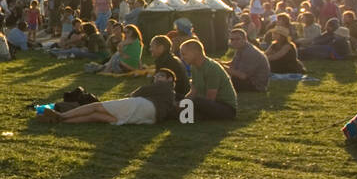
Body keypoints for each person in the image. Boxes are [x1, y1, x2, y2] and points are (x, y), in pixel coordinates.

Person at [38, 67, 179, 125]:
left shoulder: (163, 87)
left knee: (96, 106)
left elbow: (138, 92)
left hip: (143, 105)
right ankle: (59, 121)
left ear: (170, 79)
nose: (157, 78)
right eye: (156, 76)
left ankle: (62, 115)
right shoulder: (171, 95)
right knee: (97, 116)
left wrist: (134, 93)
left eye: (161, 76)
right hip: (150, 118)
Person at [180, 38, 238, 120]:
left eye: (184, 54)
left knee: (194, 102)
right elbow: (193, 91)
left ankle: (192, 115)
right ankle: (189, 115)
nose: (182, 58)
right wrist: (182, 103)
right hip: (208, 104)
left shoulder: (211, 68)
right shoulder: (194, 67)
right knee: (180, 99)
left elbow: (210, 98)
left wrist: (188, 105)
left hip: (226, 108)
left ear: (195, 53)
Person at [224, 26, 269, 92]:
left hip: (255, 85)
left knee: (220, 82)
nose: (234, 41)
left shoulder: (250, 52)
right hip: (248, 80)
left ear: (245, 39)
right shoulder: (241, 48)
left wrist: (221, 67)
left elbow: (242, 75)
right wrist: (218, 63)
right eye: (232, 39)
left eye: (237, 39)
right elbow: (233, 63)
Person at [148, 34, 190, 100]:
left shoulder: (167, 62)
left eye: (152, 46)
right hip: (179, 95)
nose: (150, 49)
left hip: (177, 97)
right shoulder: (169, 59)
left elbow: (158, 86)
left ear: (161, 48)